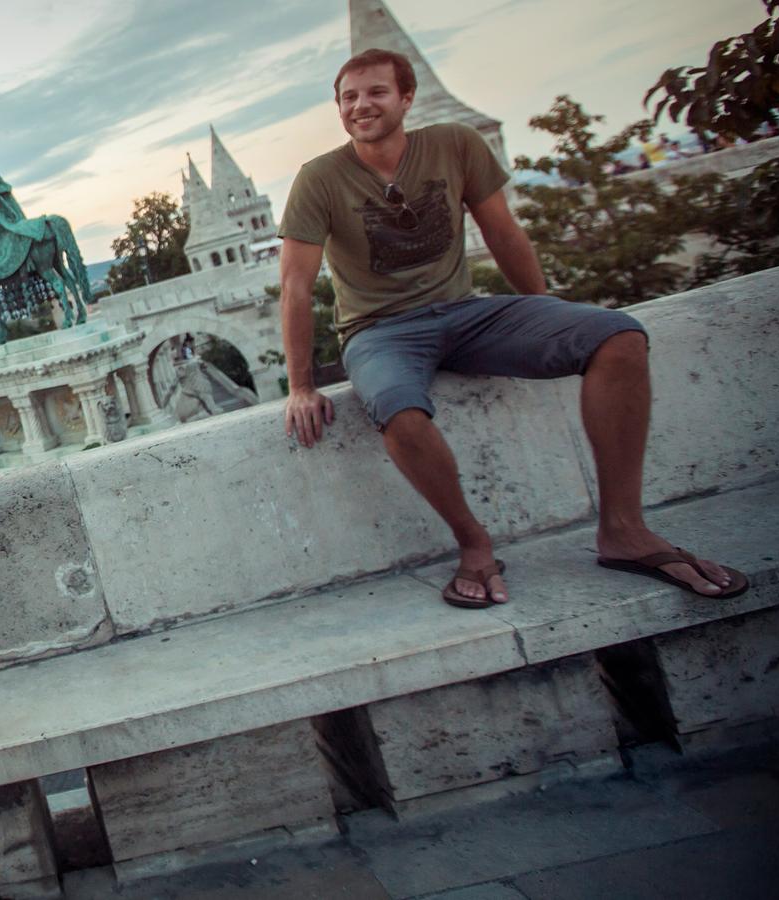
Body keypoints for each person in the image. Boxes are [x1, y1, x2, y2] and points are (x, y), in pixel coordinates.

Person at [277, 49, 746, 610]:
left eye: (375, 92)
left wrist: (544, 314)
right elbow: (296, 287)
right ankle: (474, 545)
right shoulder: (319, 179)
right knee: (399, 411)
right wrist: (300, 386)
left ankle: (624, 529)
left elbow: (503, 232)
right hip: (379, 331)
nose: (360, 105)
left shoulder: (454, 144)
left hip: (464, 311)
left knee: (618, 336)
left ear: (406, 98)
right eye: (348, 97)